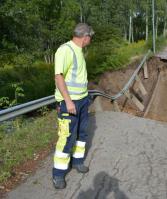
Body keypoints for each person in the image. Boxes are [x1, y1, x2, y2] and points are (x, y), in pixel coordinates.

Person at [52, 23, 94, 189]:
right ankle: (58, 174)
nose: (90, 40)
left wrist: (85, 97)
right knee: (66, 137)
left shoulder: (79, 51)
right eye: (91, 37)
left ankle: (77, 161)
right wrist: (68, 101)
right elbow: (59, 77)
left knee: (82, 133)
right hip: (70, 103)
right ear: (86, 37)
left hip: (82, 100)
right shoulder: (65, 50)